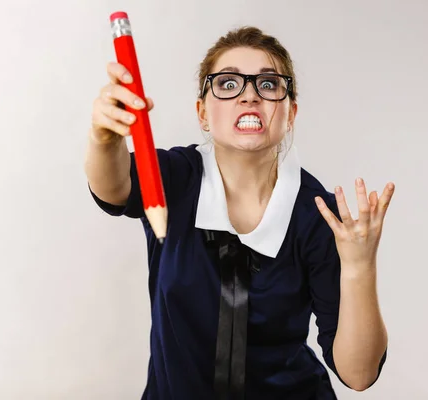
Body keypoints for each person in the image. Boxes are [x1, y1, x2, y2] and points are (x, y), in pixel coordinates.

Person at [85, 25, 394, 400]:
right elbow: (114, 188)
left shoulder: (320, 214)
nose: (249, 95)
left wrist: (361, 267)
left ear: (290, 113)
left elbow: (358, 374)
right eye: (228, 84)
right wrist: (104, 137)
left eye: (268, 84)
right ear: (202, 112)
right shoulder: (176, 177)